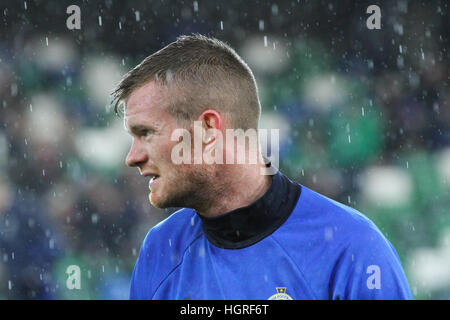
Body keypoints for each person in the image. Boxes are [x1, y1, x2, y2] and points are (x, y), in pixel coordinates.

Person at [111, 34, 412, 300]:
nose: (132, 156)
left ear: (207, 128)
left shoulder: (353, 247)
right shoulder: (160, 249)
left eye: (146, 133)